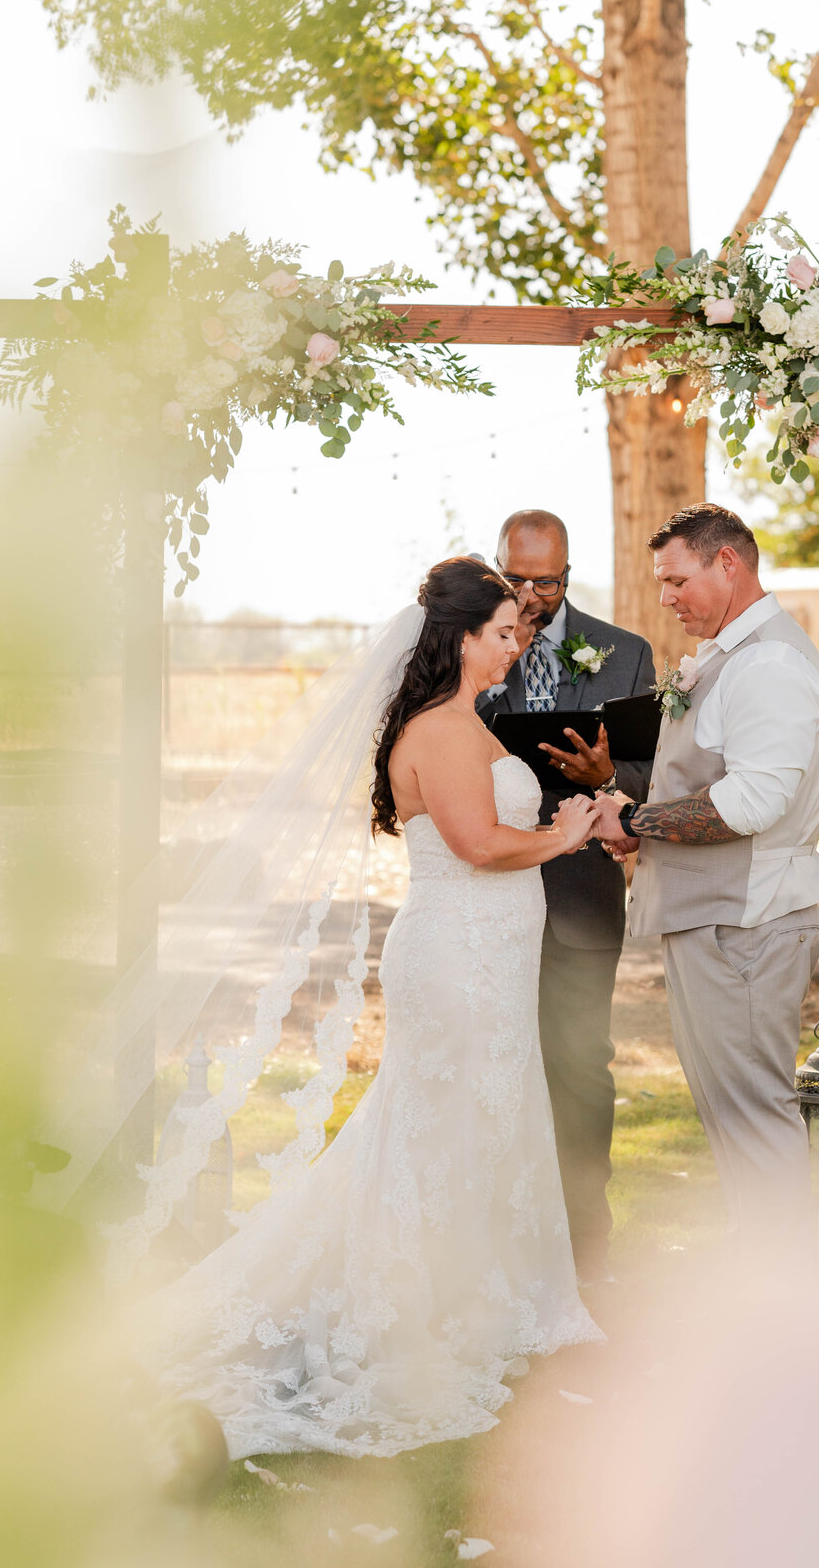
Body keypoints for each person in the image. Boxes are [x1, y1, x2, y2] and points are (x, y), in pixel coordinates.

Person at [139, 559, 603, 1458]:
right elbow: (476, 844)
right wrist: (569, 831)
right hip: (459, 957)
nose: (518, 643)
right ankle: (420, 1305)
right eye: (505, 630)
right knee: (444, 1127)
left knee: (478, 1121)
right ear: (462, 636)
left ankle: (481, 1292)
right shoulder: (442, 729)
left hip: (486, 957)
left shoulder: (465, 724)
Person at [593, 504, 819, 1227]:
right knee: (732, 1121)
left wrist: (637, 820)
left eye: (677, 579)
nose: (666, 597)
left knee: (756, 1121)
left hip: (749, 927)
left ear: (728, 562)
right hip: (719, 924)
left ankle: (792, 1301)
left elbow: (754, 800)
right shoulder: (733, 655)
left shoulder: (770, 663)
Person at [480, 511, 655, 1281]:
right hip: (492, 887)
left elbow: (650, 781)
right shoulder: (472, 648)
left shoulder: (625, 654)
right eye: (514, 578)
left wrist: (606, 783)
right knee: (493, 1056)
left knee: (580, 1058)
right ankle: (499, 1227)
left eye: (542, 582)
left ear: (567, 577)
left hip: (582, 891)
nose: (528, 594)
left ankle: (585, 1235)